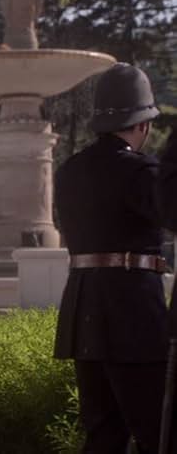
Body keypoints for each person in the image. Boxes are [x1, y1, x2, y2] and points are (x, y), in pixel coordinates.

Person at [54, 63, 167, 453]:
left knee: (103, 434)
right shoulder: (141, 171)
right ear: (143, 124)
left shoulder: (69, 171)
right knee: (158, 430)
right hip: (133, 314)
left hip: (85, 312)